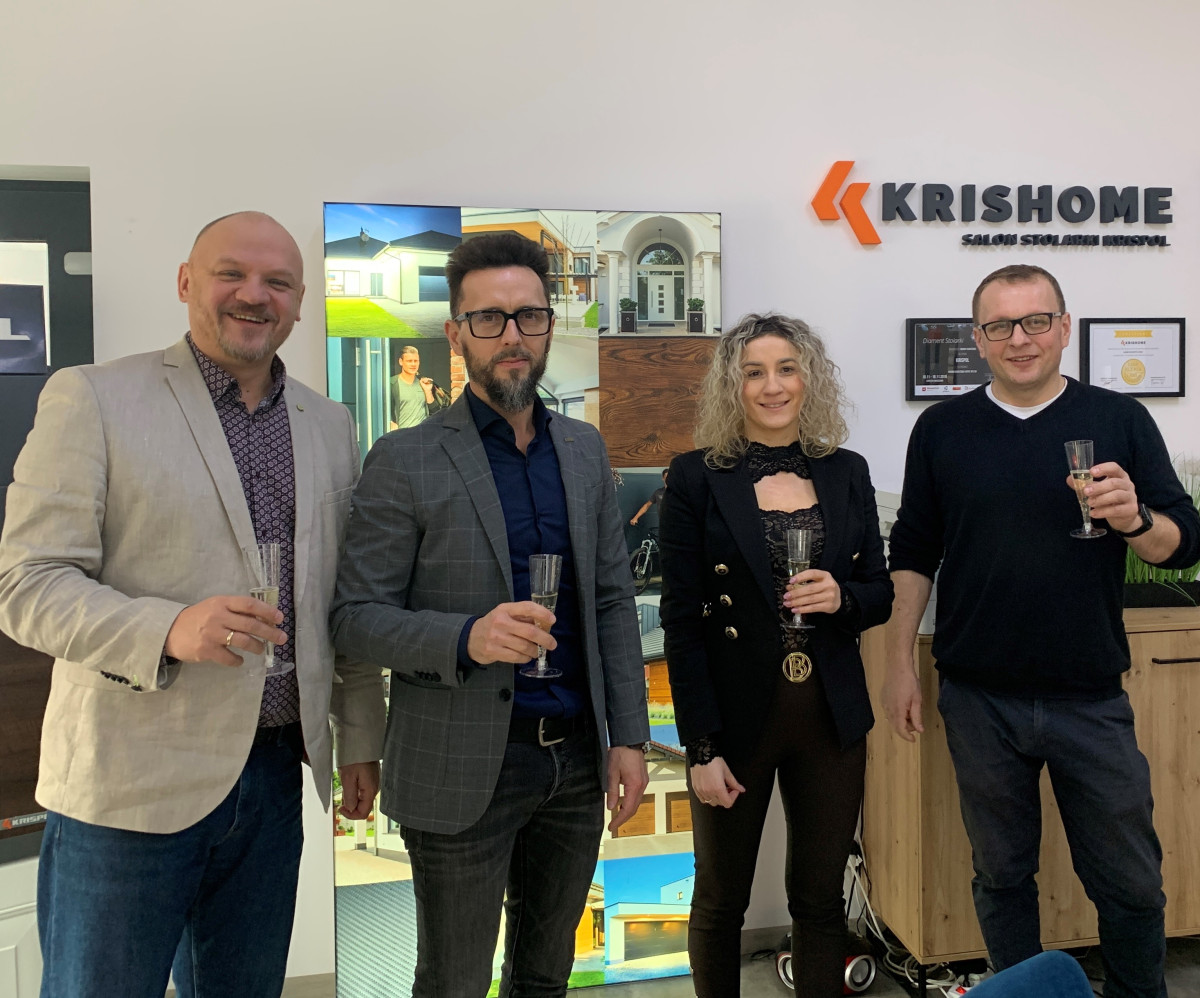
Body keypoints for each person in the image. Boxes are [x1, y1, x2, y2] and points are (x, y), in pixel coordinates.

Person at [0, 211, 385, 998]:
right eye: (230, 274)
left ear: (299, 302)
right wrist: (167, 628)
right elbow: (28, 583)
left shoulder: (329, 424)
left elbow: (339, 598)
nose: (254, 294)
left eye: (277, 281)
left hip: (274, 779)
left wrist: (360, 736)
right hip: (125, 786)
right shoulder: (93, 398)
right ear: (185, 283)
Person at [330, 231, 650, 998]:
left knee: (546, 977)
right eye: (489, 319)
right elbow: (354, 618)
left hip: (573, 763)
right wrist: (465, 638)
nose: (512, 335)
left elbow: (611, 601)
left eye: (529, 316)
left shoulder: (584, 450)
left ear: (548, 326)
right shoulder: (403, 459)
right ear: (456, 334)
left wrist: (629, 737)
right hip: (460, 761)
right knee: (454, 982)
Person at [884, 264, 1200, 998]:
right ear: (978, 339)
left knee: (1131, 883)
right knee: (1001, 875)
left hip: (1090, 696)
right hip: (978, 698)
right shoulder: (941, 429)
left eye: (1034, 321)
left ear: (1064, 328)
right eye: (1000, 325)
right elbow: (914, 552)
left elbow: (1184, 542)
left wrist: (1136, 520)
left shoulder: (1120, 419)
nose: (1019, 339)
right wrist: (899, 664)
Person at [659, 313, 893, 997]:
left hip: (831, 718)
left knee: (820, 899)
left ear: (808, 378)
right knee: (720, 900)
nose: (772, 386)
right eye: (753, 373)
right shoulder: (696, 476)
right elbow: (681, 621)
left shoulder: (846, 470)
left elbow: (878, 592)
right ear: (731, 386)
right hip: (735, 722)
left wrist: (842, 597)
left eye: (786, 369)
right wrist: (700, 748)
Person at [388, 343, 449, 429]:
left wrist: (428, 391)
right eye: (409, 361)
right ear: (401, 362)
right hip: (402, 434)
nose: (413, 364)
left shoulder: (423, 383)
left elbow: (436, 413)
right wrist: (390, 423)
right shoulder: (391, 383)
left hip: (422, 434)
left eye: (416, 361)